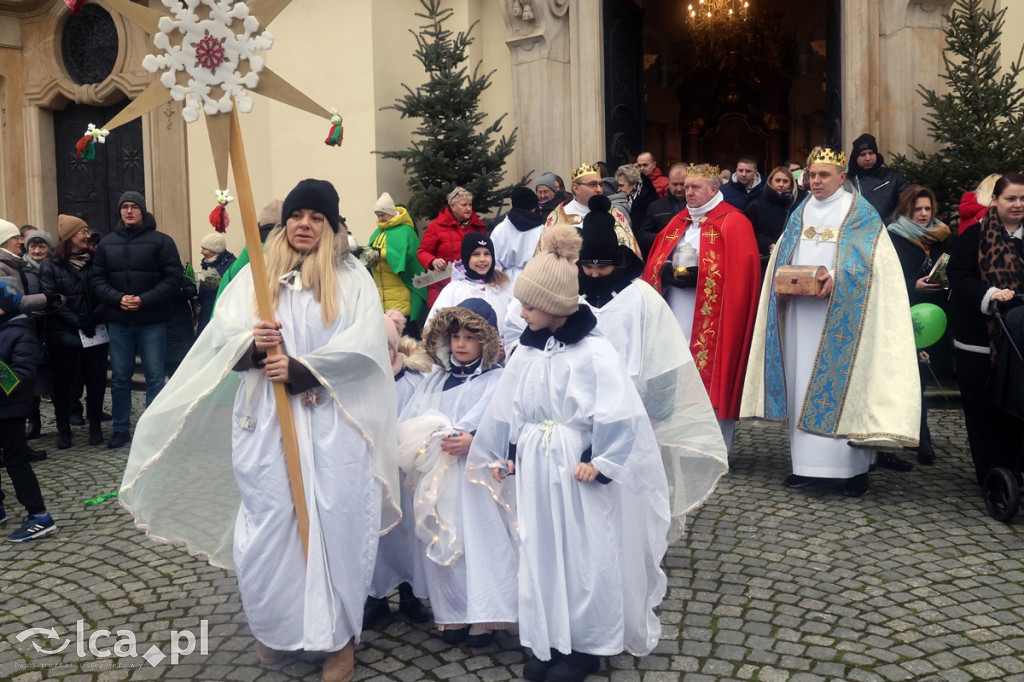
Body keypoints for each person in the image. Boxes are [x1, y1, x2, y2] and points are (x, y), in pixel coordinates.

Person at [119, 178, 401, 682]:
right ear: (285, 222)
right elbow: (219, 338)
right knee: (270, 523)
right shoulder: (254, 276)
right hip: (266, 419)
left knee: (334, 523)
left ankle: (337, 640)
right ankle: (276, 629)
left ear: (331, 226)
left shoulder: (351, 276)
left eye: (317, 217)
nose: (305, 225)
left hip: (331, 418)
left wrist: (302, 368)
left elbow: (364, 347)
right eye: (298, 216)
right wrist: (250, 345)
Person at [466, 225, 671, 682]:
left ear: (557, 305)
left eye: (530, 305)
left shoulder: (594, 353)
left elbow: (618, 414)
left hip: (576, 465)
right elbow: (511, 407)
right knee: (541, 548)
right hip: (539, 468)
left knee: (584, 549)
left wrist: (602, 462)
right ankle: (548, 634)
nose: (522, 313)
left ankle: (587, 642)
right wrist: (511, 451)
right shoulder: (528, 352)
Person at [741, 147, 920, 497]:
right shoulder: (801, 210)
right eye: (811, 175)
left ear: (841, 177)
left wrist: (836, 278)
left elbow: (874, 266)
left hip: (844, 318)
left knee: (842, 386)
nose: (816, 181)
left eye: (824, 175)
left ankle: (850, 472)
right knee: (801, 383)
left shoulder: (859, 212)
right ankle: (807, 466)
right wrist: (784, 282)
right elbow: (783, 252)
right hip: (800, 315)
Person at [578, 196, 728, 531]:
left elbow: (665, 356)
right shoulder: (573, 298)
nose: (595, 274)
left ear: (618, 262)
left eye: (602, 267)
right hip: (581, 406)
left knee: (630, 489)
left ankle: (637, 538)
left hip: (634, 406)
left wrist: (658, 410)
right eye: (588, 267)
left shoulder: (642, 298)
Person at [396, 298, 515, 647]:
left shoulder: (497, 380)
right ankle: (452, 613)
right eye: (456, 337)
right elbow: (413, 420)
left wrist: (473, 440)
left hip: (476, 481)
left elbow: (503, 421)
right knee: (443, 541)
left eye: (470, 337)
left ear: (486, 342)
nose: (461, 344)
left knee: (478, 542)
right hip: (439, 479)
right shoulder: (436, 381)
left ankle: (484, 616)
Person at [642, 163, 761, 451]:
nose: (687, 192)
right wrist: (667, 272)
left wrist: (703, 277)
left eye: (695, 187)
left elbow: (741, 278)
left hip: (715, 323)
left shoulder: (734, 222)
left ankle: (713, 448)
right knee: (676, 374)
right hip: (674, 315)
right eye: (685, 186)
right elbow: (656, 262)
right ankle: (675, 443)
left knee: (709, 378)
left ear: (713, 189)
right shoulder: (678, 222)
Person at [947, 173, 1024, 486]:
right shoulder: (974, 237)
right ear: (995, 200)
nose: (1018, 205)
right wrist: (989, 294)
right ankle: (990, 476)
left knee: (1016, 408)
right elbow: (958, 275)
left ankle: (1014, 468)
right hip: (979, 341)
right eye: (1011, 198)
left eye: (1023, 199)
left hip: (1019, 339)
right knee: (983, 412)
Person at [91, 191, 182, 449]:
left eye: (133, 207)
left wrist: (144, 300)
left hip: (152, 320)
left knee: (154, 377)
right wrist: (117, 298)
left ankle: (152, 429)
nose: (129, 211)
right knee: (120, 377)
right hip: (119, 321)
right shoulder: (107, 244)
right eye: (124, 207)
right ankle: (120, 429)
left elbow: (173, 279)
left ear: (142, 211)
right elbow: (97, 280)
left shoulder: (162, 242)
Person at [364, 310, 431, 631]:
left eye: (388, 347)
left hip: (405, 472)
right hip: (373, 471)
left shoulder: (415, 380)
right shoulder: (361, 384)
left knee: (406, 531)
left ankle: (409, 592)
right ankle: (375, 595)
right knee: (375, 531)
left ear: (395, 347)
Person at [887, 185, 952, 466]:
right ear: (906, 210)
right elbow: (886, 278)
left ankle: (920, 434)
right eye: (918, 209)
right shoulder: (894, 237)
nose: (924, 214)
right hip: (903, 312)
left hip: (935, 316)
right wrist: (913, 283)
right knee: (906, 377)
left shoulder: (942, 237)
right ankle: (916, 436)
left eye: (927, 208)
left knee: (924, 376)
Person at [39, 216, 109, 449]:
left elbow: (103, 289)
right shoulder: (51, 264)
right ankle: (64, 431)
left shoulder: (96, 260)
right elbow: (52, 299)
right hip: (63, 332)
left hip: (94, 330)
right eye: (82, 232)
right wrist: (77, 320)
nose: (87, 235)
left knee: (96, 380)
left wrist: (94, 316)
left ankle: (96, 427)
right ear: (70, 236)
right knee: (64, 384)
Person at [0, 280, 56, 542]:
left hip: (9, 410)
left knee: (16, 462)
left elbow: (21, 377)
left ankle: (40, 516)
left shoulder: (21, 333)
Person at [541, 162, 640, 258]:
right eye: (592, 184)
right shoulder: (559, 216)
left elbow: (628, 252)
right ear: (576, 188)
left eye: (601, 185)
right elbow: (546, 256)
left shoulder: (614, 214)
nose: (599, 190)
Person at [426, 233, 513, 331]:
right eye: (475, 254)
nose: (482, 259)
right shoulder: (453, 290)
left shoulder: (503, 287)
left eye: (487, 254)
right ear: (466, 258)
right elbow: (434, 328)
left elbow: (515, 321)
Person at [418, 187, 487, 309]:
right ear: (453, 206)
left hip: (473, 287)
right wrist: (433, 261)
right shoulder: (436, 226)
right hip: (442, 288)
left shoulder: (478, 227)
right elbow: (422, 252)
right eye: (464, 205)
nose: (468, 208)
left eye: (470, 205)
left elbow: (487, 252)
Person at [368, 192, 427, 324]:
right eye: (378, 216)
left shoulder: (406, 231)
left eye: (383, 215)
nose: (380, 218)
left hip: (400, 294)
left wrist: (379, 254)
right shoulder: (378, 232)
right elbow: (371, 258)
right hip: (381, 294)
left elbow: (406, 259)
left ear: (391, 212)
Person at [21, 230, 53, 444]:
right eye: (33, 246)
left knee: (55, 374)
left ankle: (68, 413)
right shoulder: (22, 270)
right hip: (31, 327)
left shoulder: (54, 267)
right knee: (31, 377)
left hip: (52, 327)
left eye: (41, 246)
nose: (37, 250)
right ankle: (34, 420)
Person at [745, 166, 799, 279]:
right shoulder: (756, 205)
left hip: (789, 259)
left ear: (791, 184)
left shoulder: (795, 206)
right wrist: (768, 244)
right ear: (770, 182)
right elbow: (748, 231)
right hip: (765, 259)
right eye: (777, 180)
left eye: (785, 181)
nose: (781, 184)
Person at [490, 186, 545, 285]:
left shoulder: (499, 230)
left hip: (506, 282)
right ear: (533, 207)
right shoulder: (542, 229)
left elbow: (494, 262)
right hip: (537, 281)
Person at [847, 133, 908, 222]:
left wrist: (884, 224)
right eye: (863, 154)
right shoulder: (849, 181)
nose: (868, 158)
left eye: (871, 153)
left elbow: (906, 204)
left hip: (890, 229)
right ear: (855, 158)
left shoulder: (894, 177)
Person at [637, 163, 687, 259]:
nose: (679, 189)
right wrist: (663, 237)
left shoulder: (699, 205)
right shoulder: (656, 207)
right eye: (675, 184)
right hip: (664, 260)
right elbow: (642, 236)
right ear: (668, 183)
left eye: (682, 184)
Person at [196, 232, 236, 335]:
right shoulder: (207, 263)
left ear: (215, 249)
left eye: (204, 249)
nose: (201, 252)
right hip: (206, 310)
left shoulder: (231, 264)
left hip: (220, 312)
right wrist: (199, 302)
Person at [616, 163, 659, 233]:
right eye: (617, 185)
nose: (618, 189)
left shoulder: (649, 200)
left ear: (633, 184)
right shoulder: (619, 199)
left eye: (621, 185)